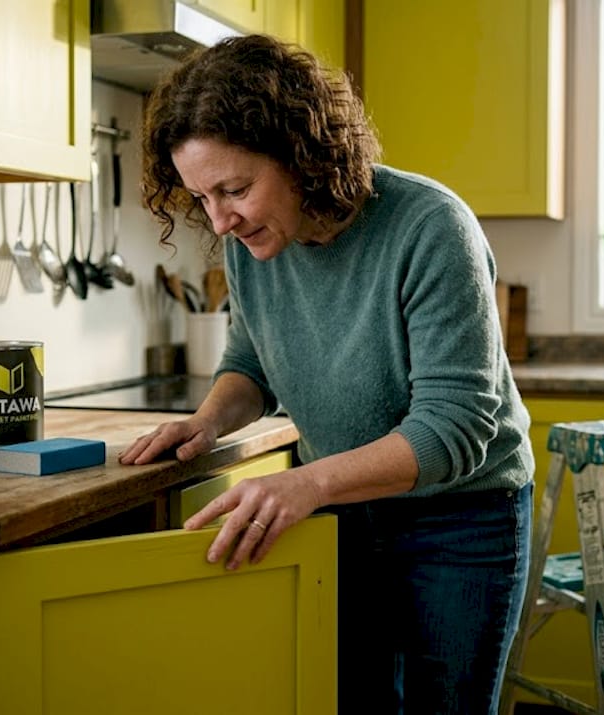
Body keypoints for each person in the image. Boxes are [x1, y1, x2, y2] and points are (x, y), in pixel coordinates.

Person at [119, 34, 534, 714]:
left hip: (461, 520)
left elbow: (453, 430)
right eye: (201, 197)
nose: (220, 220)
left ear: (301, 155)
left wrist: (307, 483)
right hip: (341, 511)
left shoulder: (431, 227)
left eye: (235, 189)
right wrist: (208, 421)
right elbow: (250, 363)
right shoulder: (255, 243)